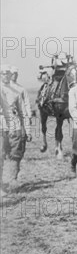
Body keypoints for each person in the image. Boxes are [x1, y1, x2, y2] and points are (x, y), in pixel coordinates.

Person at [1, 65, 32, 193]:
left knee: (16, 153)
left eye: (8, 73)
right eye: (3, 73)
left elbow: (23, 112)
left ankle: (12, 180)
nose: (6, 75)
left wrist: (28, 130)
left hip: (15, 125)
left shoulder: (17, 91)